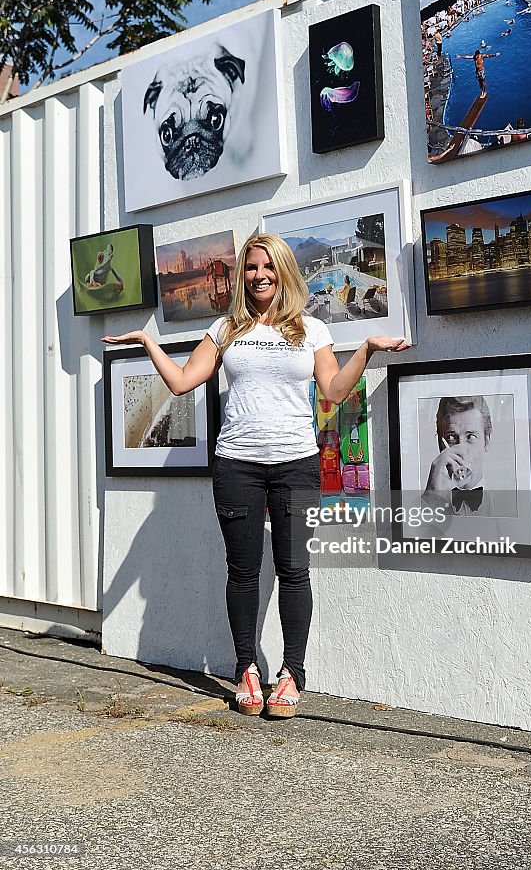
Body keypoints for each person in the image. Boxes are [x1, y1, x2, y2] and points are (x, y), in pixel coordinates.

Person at [102, 233, 408, 718]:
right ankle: (245, 668)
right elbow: (183, 383)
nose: (259, 275)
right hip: (237, 465)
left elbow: (332, 389)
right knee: (242, 572)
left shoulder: (311, 329)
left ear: (284, 271)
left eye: (268, 266)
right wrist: (147, 342)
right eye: (250, 267)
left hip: (296, 464)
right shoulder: (226, 329)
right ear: (242, 274)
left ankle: (292, 674)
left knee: (293, 570)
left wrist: (367, 349)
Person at [421, 396, 496, 516]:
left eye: (471, 437)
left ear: (486, 441)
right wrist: (430, 498)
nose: (460, 450)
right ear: (440, 444)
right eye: (451, 437)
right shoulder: (427, 501)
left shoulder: (510, 502)